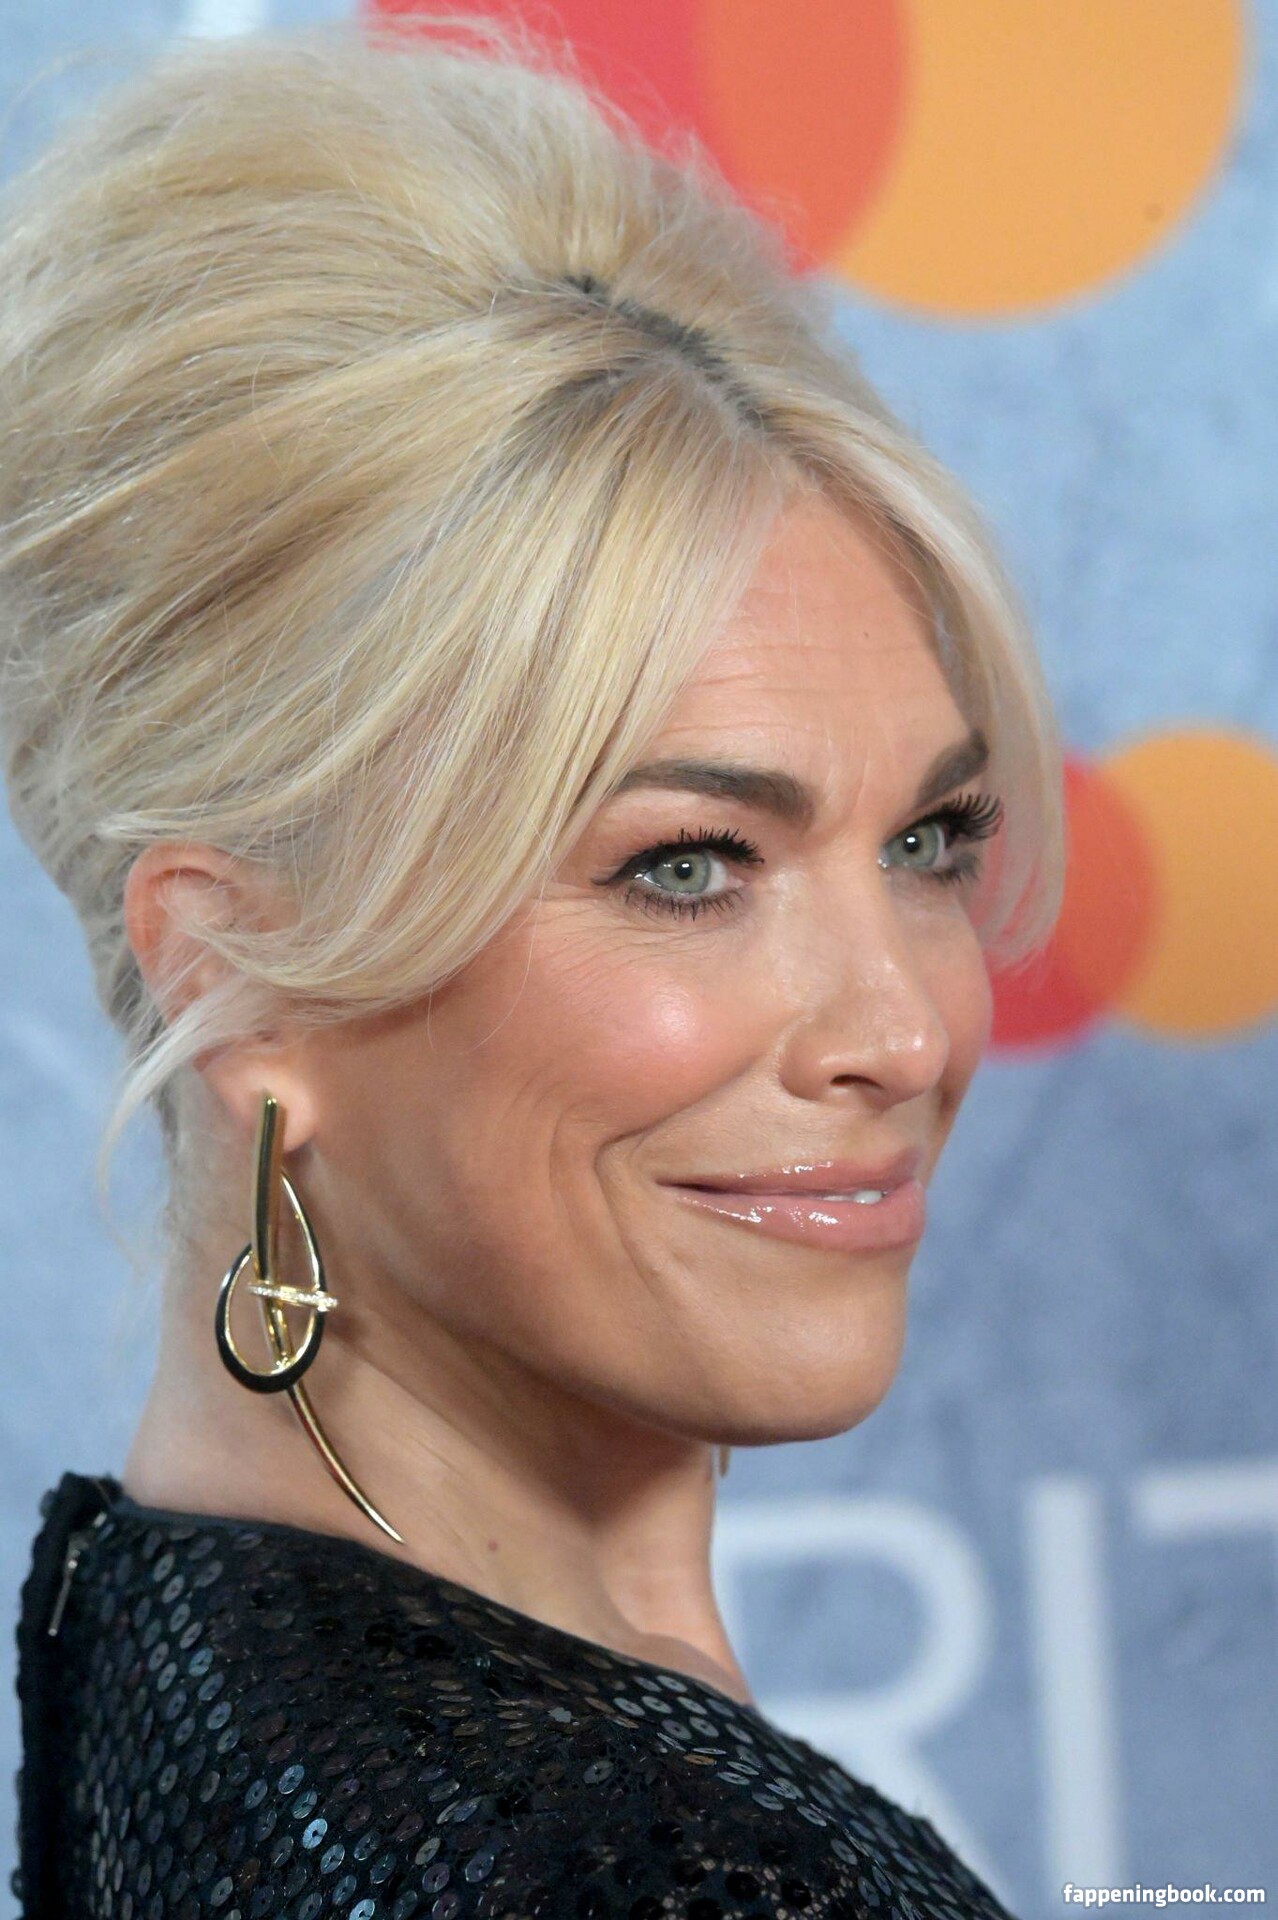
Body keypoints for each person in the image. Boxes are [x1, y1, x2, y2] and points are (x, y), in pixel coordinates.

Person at [1, 12, 1064, 1916]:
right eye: (687, 866)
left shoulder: (162, 1628)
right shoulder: (617, 1866)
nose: (905, 1028)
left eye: (927, 841)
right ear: (238, 972)